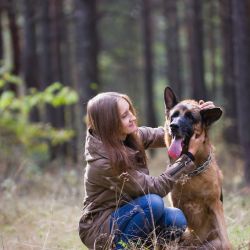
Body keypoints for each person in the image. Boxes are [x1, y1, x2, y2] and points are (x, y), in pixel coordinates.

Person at [79, 92, 214, 249]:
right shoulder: (104, 162)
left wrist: (195, 116)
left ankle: (146, 246)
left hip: (131, 213)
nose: (132, 117)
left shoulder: (127, 135)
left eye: (130, 110)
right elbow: (156, 188)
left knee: (176, 219)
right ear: (109, 123)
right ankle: (121, 247)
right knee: (153, 203)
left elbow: (164, 133)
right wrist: (188, 157)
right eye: (124, 116)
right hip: (101, 228)